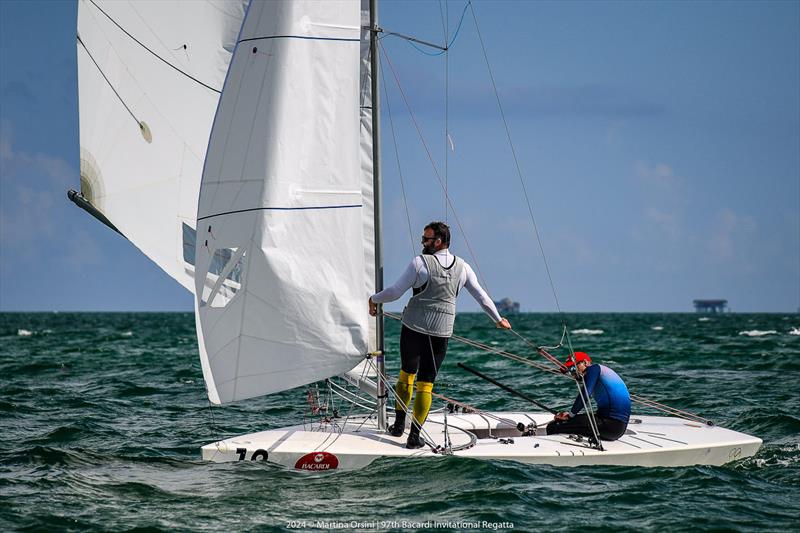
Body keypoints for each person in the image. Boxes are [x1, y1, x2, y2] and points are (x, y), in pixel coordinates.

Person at [368, 221, 512, 449]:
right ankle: (413, 438)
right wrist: (498, 320)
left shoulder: (419, 263)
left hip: (413, 330)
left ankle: (397, 426)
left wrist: (373, 299)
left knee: (406, 377)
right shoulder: (463, 268)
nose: (422, 243)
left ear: (438, 241)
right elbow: (482, 297)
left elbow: (395, 293)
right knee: (425, 386)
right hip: (440, 334)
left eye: (426, 239)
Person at [546, 351, 631, 442]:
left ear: (586, 363)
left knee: (553, 426)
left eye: (574, 367)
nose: (572, 372)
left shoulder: (593, 369)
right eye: (570, 369)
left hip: (609, 425)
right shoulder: (600, 373)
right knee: (570, 423)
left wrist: (570, 415)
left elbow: (585, 394)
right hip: (616, 427)